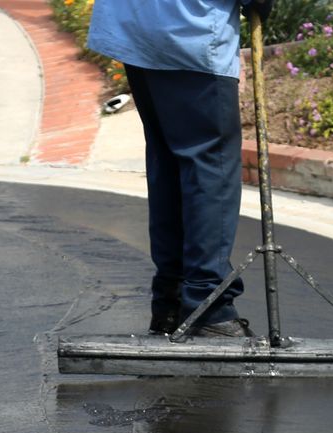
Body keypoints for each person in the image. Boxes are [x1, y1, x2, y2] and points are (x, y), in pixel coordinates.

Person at [87, 0, 271, 338]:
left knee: (170, 162)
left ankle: (171, 301)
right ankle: (206, 305)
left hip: (136, 24)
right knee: (208, 166)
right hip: (189, 31)